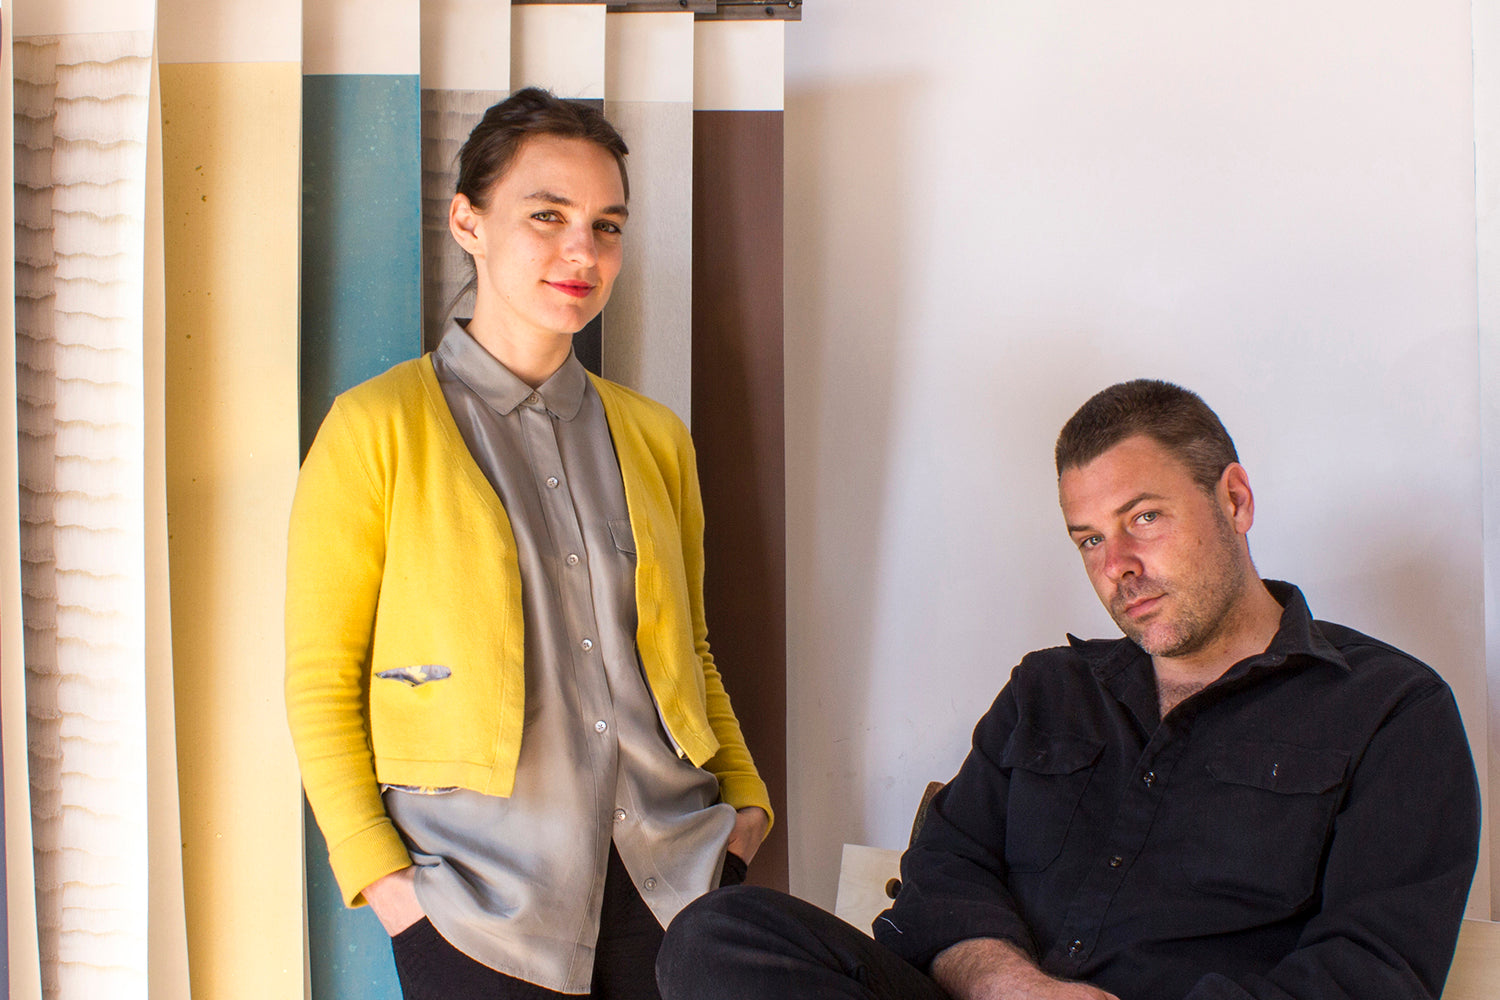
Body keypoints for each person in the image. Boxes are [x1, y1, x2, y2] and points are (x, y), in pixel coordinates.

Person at [657, 379, 1480, 1000]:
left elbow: (1370, 973)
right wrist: (1011, 984)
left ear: (1234, 499)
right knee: (717, 935)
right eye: (1089, 538)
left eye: (1144, 518)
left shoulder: (1391, 713)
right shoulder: (1048, 691)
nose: (1116, 564)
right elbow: (943, 874)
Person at [285, 88, 771, 1000]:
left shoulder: (655, 437)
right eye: (547, 216)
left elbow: (690, 653)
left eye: (607, 225)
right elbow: (322, 684)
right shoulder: (375, 428)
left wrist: (745, 817)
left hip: (680, 887)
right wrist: (396, 900)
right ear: (469, 221)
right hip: (479, 911)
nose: (581, 252)